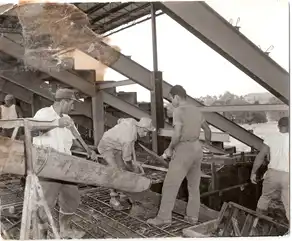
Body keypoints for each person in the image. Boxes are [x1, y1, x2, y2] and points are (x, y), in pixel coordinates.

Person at [32, 88, 96, 239]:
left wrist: (88, 150)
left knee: (71, 198)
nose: (73, 107)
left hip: (66, 164)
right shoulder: (43, 113)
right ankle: (42, 234)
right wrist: (56, 123)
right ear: (63, 101)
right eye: (72, 103)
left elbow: (75, 139)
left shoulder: (67, 118)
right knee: (45, 201)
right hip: (48, 164)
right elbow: (33, 129)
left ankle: (65, 230)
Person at [147, 85, 211, 226]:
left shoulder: (178, 111)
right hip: (197, 148)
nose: (171, 102)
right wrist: (206, 143)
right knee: (194, 187)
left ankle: (163, 218)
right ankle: (192, 217)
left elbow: (177, 134)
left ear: (176, 96)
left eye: (171, 99)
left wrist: (170, 149)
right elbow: (207, 129)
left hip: (184, 150)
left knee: (170, 185)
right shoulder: (196, 110)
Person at [98, 117, 156, 211]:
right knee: (115, 171)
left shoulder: (132, 121)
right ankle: (113, 198)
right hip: (106, 146)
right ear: (140, 127)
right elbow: (127, 160)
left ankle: (123, 195)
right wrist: (133, 169)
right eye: (146, 131)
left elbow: (120, 120)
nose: (146, 134)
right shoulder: (128, 139)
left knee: (122, 170)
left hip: (117, 145)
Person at [250, 117, 289, 222]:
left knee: (265, 198)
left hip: (272, 174)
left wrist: (253, 173)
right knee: (289, 204)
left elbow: (261, 156)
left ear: (278, 126)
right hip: (288, 176)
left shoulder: (271, 137)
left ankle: (256, 223)